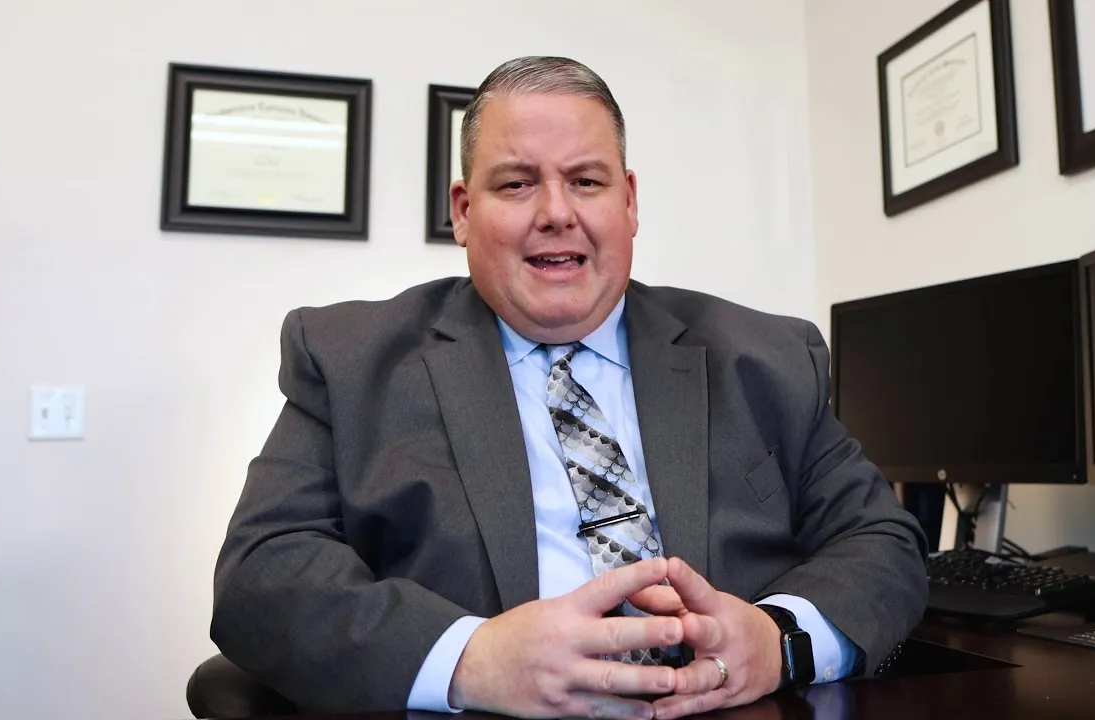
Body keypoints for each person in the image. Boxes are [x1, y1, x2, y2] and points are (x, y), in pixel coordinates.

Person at [210, 55, 928, 720]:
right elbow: (262, 576)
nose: (557, 211)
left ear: (630, 201)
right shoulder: (348, 360)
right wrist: (472, 659)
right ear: (463, 210)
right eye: (517, 183)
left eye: (586, 181)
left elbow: (880, 541)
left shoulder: (766, 356)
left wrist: (779, 640)